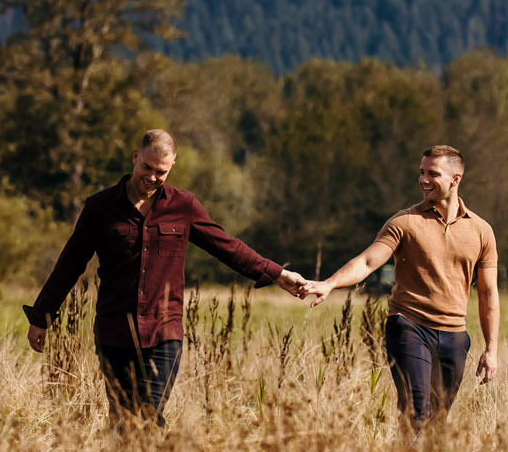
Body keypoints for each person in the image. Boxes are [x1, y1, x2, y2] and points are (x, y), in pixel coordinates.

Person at [24, 128, 311, 425]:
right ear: (135, 157)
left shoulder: (183, 206)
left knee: (149, 417)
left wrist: (278, 274)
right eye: (146, 167)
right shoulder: (100, 207)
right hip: (114, 333)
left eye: (160, 171)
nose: (151, 177)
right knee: (123, 421)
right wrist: (40, 317)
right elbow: (69, 264)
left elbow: (228, 247)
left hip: (164, 334)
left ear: (172, 165)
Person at [306, 144, 501, 424]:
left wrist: (491, 350)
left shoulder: (481, 231)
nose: (423, 180)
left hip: (454, 335)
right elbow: (367, 262)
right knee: (416, 411)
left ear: (455, 179)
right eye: (421, 172)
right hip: (410, 327)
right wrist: (330, 283)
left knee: (438, 420)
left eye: (432, 174)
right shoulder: (405, 222)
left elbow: (488, 294)